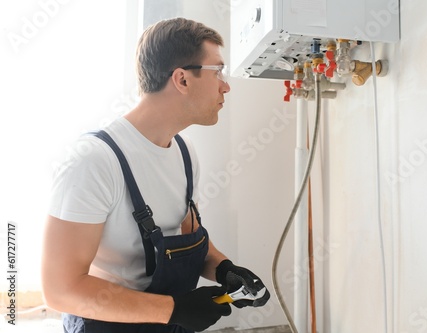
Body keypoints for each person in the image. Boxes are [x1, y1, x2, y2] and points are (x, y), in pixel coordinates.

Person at [41, 17, 269, 333]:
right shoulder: (93, 161)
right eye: (217, 71)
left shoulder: (185, 154)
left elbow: (183, 240)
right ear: (182, 80)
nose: (226, 85)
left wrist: (225, 269)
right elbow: (61, 290)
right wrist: (173, 309)